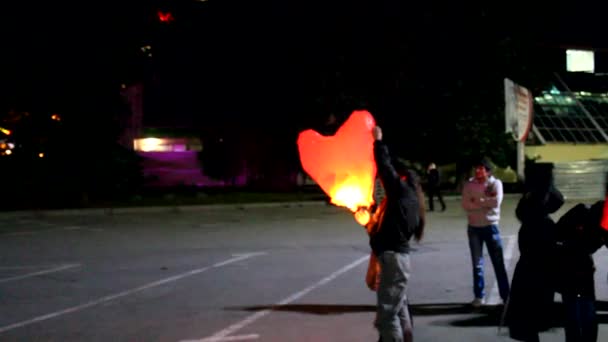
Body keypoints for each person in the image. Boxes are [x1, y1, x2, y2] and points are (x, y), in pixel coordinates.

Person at [370, 126, 425, 342]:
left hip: (393, 259)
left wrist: (378, 141)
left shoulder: (402, 192)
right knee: (399, 308)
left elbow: (385, 167)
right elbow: (387, 229)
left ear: (401, 178)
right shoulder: (412, 201)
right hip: (398, 259)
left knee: (387, 316)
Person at [506, 163, 565, 342]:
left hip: (532, 266)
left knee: (528, 310)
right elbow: (558, 200)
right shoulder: (540, 202)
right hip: (538, 264)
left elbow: (521, 212)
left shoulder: (534, 200)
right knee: (535, 308)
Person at [554, 199, 607, 342]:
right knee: (578, 311)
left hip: (580, 267)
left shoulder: (597, 219)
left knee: (580, 311)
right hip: (569, 266)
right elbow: (557, 236)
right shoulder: (582, 212)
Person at [461, 158, 510, 308]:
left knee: (498, 263)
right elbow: (465, 204)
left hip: (491, 226)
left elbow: (496, 202)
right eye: (476, 168)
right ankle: (478, 296)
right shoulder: (469, 185)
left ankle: (506, 296)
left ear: (487, 170)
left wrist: (477, 201)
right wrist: (484, 202)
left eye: (481, 168)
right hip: (474, 228)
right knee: (477, 265)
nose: (477, 171)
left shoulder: (495, 184)